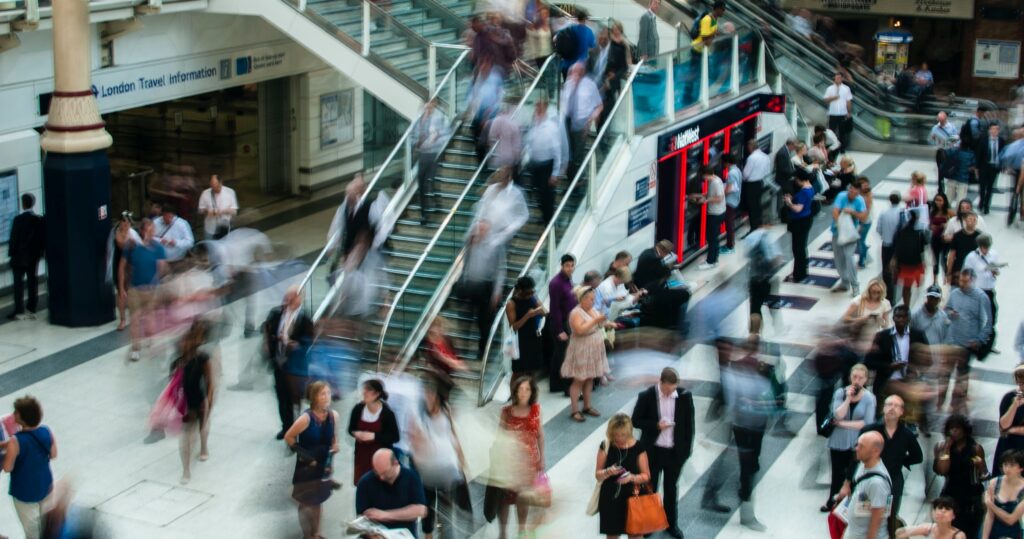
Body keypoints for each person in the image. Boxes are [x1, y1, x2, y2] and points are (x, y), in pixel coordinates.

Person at [464, 168, 529, 359]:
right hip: (474, 283)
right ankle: (474, 345)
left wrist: (497, 291)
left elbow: (501, 269)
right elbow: (480, 210)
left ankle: (484, 349)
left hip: (489, 280)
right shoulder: (473, 242)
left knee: (485, 319)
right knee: (474, 317)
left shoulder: (516, 194)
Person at [630, 368, 693, 539]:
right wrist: (656, 425)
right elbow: (635, 420)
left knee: (671, 489)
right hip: (653, 451)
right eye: (668, 388)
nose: (670, 392)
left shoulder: (684, 397)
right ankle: (649, 524)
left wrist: (685, 452)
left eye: (673, 388)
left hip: (674, 453)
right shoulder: (647, 396)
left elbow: (689, 427)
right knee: (650, 488)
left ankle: (671, 523)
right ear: (661, 382)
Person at [409, 375, 467, 539]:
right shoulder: (418, 415)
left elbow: (454, 436)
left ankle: (445, 535)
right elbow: (414, 441)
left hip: (447, 468)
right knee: (427, 507)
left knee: (446, 509)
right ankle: (429, 536)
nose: (429, 397)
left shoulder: (446, 411)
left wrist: (462, 462)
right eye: (426, 394)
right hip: (427, 470)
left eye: (431, 393)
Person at [284, 381, 339, 539]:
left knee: (318, 501)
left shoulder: (333, 416)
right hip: (306, 469)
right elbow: (289, 437)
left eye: (328, 393)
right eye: (322, 394)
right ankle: (307, 535)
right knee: (306, 502)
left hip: (323, 467)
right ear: (314, 397)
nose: (327, 397)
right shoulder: (306, 418)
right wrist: (306, 457)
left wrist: (335, 445)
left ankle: (316, 533)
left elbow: (333, 438)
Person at [496, 376, 545, 539]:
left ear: (532, 392)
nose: (523, 393)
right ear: (515, 392)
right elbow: (499, 437)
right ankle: (502, 533)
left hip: (528, 463)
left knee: (523, 498)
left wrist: (542, 458)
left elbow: (540, 435)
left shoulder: (536, 410)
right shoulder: (506, 412)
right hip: (508, 462)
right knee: (504, 498)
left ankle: (521, 530)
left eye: (527, 389)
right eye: (520, 389)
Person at [822, 364, 876, 512]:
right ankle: (832, 501)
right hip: (838, 440)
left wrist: (842, 424)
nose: (857, 380)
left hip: (857, 442)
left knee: (853, 474)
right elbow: (837, 413)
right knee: (837, 473)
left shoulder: (869, 398)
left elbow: (867, 423)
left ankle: (849, 504)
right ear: (850, 377)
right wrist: (847, 399)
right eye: (854, 377)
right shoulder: (840, 393)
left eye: (860, 378)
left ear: (865, 380)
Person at [860, 395, 924, 518]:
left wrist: (902, 460)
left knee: (890, 516)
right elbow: (856, 456)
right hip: (870, 477)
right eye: (889, 405)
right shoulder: (870, 430)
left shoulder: (906, 434)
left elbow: (918, 456)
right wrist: (847, 483)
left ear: (901, 412)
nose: (892, 408)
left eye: (896, 406)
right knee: (865, 515)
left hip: (893, 479)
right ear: (883, 408)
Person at [2, 396, 56, 539]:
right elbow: (54, 454)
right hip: (45, 485)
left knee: (32, 530)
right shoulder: (46, 431)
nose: (13, 414)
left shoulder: (16, 441)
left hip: (24, 491)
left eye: (16, 412)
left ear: (21, 417)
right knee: (48, 526)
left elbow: (7, 467)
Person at [264, 287, 314, 439]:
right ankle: (285, 426)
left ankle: (295, 428)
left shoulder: (305, 319)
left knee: (294, 399)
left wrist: (296, 345)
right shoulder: (276, 313)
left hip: (294, 366)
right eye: (287, 297)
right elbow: (267, 329)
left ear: (300, 299)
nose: (289, 300)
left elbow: (309, 342)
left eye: (293, 297)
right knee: (281, 396)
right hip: (279, 362)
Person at [941, 269, 991, 413]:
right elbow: (945, 310)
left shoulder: (981, 297)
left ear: (973, 280)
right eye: (960, 281)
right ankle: (941, 402)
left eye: (965, 281)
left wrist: (979, 340)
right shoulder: (955, 293)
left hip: (967, 345)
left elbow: (988, 323)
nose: (961, 284)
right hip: (951, 343)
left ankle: (956, 406)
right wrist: (950, 313)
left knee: (961, 376)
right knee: (945, 374)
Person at [594, 413, 651, 539]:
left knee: (636, 534)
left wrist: (631, 477)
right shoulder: (606, 446)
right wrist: (608, 471)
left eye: (623, 435)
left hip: (634, 496)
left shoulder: (638, 447)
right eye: (615, 435)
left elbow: (646, 475)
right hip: (611, 498)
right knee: (612, 534)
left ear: (629, 432)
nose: (619, 438)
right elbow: (598, 475)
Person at [120, 218, 168, 362]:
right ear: (142, 231)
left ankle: (151, 341)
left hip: (152, 289)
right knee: (134, 319)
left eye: (153, 229)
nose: (152, 232)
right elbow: (122, 266)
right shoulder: (132, 246)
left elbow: (162, 267)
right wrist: (122, 287)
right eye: (149, 229)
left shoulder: (158, 248)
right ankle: (135, 348)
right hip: (135, 289)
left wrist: (158, 282)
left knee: (151, 319)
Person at [175, 320, 216, 485]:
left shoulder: (202, 358)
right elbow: (174, 383)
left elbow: (210, 382)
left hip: (199, 399)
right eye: (183, 341)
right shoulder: (179, 361)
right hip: (186, 401)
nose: (184, 344)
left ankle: (204, 446)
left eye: (187, 341)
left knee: (203, 427)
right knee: (186, 435)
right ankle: (186, 469)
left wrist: (209, 401)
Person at [934, 414, 986, 538]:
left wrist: (980, 465)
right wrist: (947, 448)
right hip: (951, 492)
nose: (954, 432)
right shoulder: (941, 447)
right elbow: (942, 470)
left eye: (957, 428)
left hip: (971, 496)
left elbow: (984, 474)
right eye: (951, 429)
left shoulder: (975, 448)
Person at [356, 449, 428, 537]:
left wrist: (385, 515)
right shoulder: (365, 482)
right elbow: (361, 517)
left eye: (385, 473)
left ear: (395, 463)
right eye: (377, 473)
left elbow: (420, 510)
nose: (381, 478)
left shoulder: (411, 477)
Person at [561, 286, 609, 422]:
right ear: (582, 299)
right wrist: (595, 321)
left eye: (594, 299)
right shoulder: (575, 313)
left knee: (589, 378)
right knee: (579, 379)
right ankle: (575, 410)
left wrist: (608, 322)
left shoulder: (592, 309)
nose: (593, 302)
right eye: (591, 299)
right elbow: (579, 330)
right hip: (581, 348)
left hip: (593, 347)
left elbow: (600, 322)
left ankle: (587, 406)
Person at [835, 431, 892, 539]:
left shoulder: (877, 483)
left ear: (875, 451)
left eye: (862, 446)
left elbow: (877, 518)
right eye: (857, 444)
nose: (857, 448)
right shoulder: (863, 464)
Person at [865, 305, 927, 400]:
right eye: (898, 317)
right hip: (886, 383)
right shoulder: (882, 336)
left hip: (910, 384)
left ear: (909, 318)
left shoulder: (917, 336)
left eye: (904, 317)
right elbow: (869, 361)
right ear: (893, 318)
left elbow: (927, 358)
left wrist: (915, 370)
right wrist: (889, 366)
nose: (901, 320)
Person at [348, 379, 400, 487]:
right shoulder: (358, 409)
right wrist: (356, 434)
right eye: (364, 389)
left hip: (381, 460)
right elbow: (350, 429)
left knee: (379, 487)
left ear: (377, 394)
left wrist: (374, 436)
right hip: (361, 457)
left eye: (368, 390)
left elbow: (395, 437)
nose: (364, 392)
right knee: (363, 486)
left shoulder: (387, 414)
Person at [522, 99, 566, 225]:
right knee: (538, 192)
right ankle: (544, 216)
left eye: (539, 107)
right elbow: (529, 141)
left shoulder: (551, 127)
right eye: (536, 107)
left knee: (547, 195)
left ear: (545, 109)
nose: (537, 110)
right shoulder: (534, 124)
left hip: (547, 166)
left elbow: (557, 151)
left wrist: (555, 173)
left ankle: (550, 219)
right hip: (535, 165)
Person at [561, 62, 603, 179]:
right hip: (567, 121)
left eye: (577, 73)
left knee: (578, 153)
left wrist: (592, 118)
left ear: (582, 73)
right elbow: (563, 103)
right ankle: (571, 175)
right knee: (569, 150)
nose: (574, 75)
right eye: (573, 72)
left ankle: (576, 179)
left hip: (582, 122)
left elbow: (599, 105)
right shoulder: (568, 84)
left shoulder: (590, 85)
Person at [7, 193, 44, 321]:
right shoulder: (38, 220)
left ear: (23, 204)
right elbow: (40, 240)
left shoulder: (18, 220)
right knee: (32, 282)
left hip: (19, 257)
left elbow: (13, 239)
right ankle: (31, 309)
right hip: (33, 257)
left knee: (18, 284)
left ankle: (19, 310)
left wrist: (11, 254)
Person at [411, 98, 449, 222]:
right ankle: (424, 214)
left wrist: (434, 140)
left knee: (431, 180)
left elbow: (445, 135)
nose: (428, 107)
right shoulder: (418, 120)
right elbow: (411, 137)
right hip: (422, 155)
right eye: (427, 105)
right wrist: (418, 143)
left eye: (431, 105)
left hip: (434, 154)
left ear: (434, 106)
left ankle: (437, 202)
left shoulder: (438, 119)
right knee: (421, 183)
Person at [832, 181, 868, 297]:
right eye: (851, 189)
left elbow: (863, 217)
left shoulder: (859, 201)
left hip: (851, 233)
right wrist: (839, 224)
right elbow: (835, 211)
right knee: (839, 258)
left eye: (855, 191)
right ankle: (844, 281)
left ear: (858, 192)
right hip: (838, 231)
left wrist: (852, 212)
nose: (852, 192)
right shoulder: (841, 196)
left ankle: (855, 284)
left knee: (849, 257)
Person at [745, 223, 781, 335]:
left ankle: (755, 330)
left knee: (755, 306)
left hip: (754, 278)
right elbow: (776, 258)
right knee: (772, 304)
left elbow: (747, 256)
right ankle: (777, 327)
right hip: (766, 279)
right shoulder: (767, 238)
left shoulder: (750, 238)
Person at [548, 254, 577, 393]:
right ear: (562, 266)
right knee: (560, 355)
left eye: (572, 265)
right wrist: (560, 329)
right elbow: (555, 308)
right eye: (567, 266)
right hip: (560, 323)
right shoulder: (556, 283)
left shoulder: (568, 280)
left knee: (564, 354)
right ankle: (556, 384)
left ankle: (560, 383)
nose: (570, 268)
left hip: (569, 321)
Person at [506, 276, 546, 375]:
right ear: (520, 291)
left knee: (532, 370)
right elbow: (513, 327)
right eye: (528, 293)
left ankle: (530, 390)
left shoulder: (533, 298)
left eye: (532, 291)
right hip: (519, 341)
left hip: (533, 337)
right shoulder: (511, 303)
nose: (531, 294)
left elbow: (545, 312)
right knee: (518, 372)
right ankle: (514, 390)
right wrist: (527, 316)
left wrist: (540, 310)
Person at [982, 450, 1024, 539]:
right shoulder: (994, 482)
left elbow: (1011, 519)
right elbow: (990, 515)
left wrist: (990, 504)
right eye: (1005, 465)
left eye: (1012, 465)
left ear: (1021, 468)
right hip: (994, 530)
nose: (1007, 469)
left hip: (1015, 533)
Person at [892, 210, 928, 308]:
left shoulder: (902, 230)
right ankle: (908, 306)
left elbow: (897, 245)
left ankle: (907, 306)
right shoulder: (920, 231)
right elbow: (925, 245)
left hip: (906, 263)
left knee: (907, 287)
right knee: (912, 287)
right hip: (913, 263)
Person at [962, 233, 999, 328]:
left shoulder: (993, 254)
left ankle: (990, 328)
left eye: (988, 247)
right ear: (980, 246)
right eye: (984, 247)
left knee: (993, 309)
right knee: (976, 312)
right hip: (977, 289)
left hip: (989, 288)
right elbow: (965, 272)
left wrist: (995, 271)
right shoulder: (971, 257)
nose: (986, 250)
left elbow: (996, 269)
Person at [784, 174, 815, 282]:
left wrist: (789, 203)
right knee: (801, 248)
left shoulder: (804, 192)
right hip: (806, 219)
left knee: (798, 249)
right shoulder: (810, 188)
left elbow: (798, 209)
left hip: (800, 222)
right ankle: (801, 271)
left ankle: (798, 274)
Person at [993, 366, 1024, 473]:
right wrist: (1015, 405)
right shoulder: (1009, 397)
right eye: (1020, 383)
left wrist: (1013, 430)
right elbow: (1003, 426)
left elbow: (1007, 430)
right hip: (1009, 445)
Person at [876, 192, 904, 304]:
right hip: (899, 246)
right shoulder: (903, 213)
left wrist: (885, 234)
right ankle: (895, 289)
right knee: (897, 269)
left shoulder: (884, 213)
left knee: (886, 272)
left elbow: (878, 229)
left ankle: (890, 297)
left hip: (887, 245)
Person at [895, 496, 966, 538]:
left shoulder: (958, 536)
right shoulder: (928, 528)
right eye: (940, 508)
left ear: (953, 516)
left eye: (947, 509)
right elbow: (899, 533)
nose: (942, 511)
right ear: (934, 512)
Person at [699, 166, 726, 270]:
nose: (703, 178)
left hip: (715, 214)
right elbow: (713, 194)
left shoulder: (715, 183)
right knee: (714, 238)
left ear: (705, 174)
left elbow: (719, 197)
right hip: (719, 212)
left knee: (712, 238)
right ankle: (714, 259)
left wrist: (706, 200)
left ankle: (710, 261)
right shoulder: (716, 179)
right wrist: (704, 195)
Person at [975, 123, 1005, 215]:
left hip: (994, 167)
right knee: (982, 187)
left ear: (998, 131)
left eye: (996, 129)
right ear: (989, 130)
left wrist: (1002, 166)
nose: (994, 131)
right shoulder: (983, 141)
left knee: (990, 187)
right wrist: (977, 168)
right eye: (992, 129)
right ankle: (981, 202)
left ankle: (987, 206)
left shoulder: (1001, 141)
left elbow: (1003, 154)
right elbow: (978, 154)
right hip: (984, 167)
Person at [742, 139, 772, 230]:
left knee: (752, 207)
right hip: (760, 183)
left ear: (751, 147)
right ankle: (759, 224)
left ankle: (753, 228)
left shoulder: (752, 158)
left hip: (751, 185)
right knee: (757, 205)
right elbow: (767, 171)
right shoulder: (765, 156)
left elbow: (746, 174)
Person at [197, 174, 238, 240]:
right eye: (213, 187)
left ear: (221, 182)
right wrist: (207, 211)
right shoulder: (205, 193)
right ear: (210, 184)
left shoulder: (230, 192)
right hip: (210, 227)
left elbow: (234, 211)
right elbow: (200, 210)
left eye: (217, 187)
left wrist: (222, 212)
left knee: (224, 247)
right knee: (210, 247)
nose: (216, 189)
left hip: (225, 227)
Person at [823, 72, 853, 154]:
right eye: (836, 78)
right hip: (832, 114)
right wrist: (834, 97)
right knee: (831, 132)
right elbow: (825, 100)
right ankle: (832, 149)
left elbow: (848, 101)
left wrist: (849, 112)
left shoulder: (846, 88)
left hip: (842, 114)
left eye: (839, 78)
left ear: (842, 79)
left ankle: (842, 150)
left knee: (842, 133)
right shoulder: (829, 88)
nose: (838, 79)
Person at [930, 112, 959, 194]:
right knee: (940, 170)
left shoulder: (951, 127)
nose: (941, 122)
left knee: (951, 170)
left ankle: (953, 188)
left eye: (942, 120)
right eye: (939, 120)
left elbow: (957, 139)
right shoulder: (935, 127)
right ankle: (941, 189)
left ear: (946, 119)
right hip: (940, 151)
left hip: (949, 151)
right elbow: (932, 138)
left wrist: (947, 140)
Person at [929, 193, 954, 285]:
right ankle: (935, 281)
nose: (938, 202)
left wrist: (947, 225)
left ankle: (946, 279)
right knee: (935, 260)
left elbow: (955, 222)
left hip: (945, 239)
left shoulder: (949, 212)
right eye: (936, 200)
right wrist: (931, 226)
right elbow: (929, 223)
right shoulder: (933, 211)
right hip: (935, 238)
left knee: (944, 259)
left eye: (940, 200)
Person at [943, 140, 976, 206]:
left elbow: (944, 153)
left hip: (952, 177)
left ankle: (946, 213)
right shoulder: (971, 154)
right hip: (963, 179)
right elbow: (973, 167)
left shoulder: (954, 151)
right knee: (960, 201)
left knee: (948, 199)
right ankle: (958, 215)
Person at [722, 153, 743, 253]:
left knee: (729, 224)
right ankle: (730, 243)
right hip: (735, 200)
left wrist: (721, 194)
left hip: (730, 201)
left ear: (727, 163)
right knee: (730, 223)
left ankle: (730, 246)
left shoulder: (731, 173)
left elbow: (729, 188)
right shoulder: (737, 170)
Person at [856, 177, 875, 269]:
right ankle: (865, 254)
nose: (867, 186)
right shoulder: (859, 194)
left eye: (867, 185)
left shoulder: (868, 195)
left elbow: (867, 209)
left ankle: (862, 260)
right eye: (865, 185)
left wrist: (863, 219)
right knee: (859, 240)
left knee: (861, 240)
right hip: (859, 219)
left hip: (865, 221)